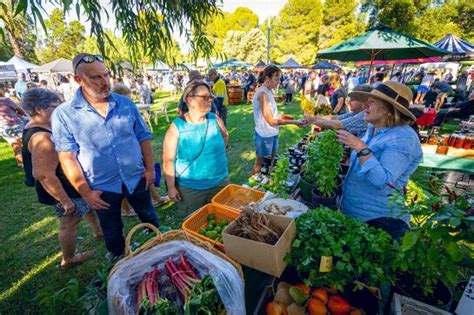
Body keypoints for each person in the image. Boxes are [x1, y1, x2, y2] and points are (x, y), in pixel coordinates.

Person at [51, 53, 160, 257]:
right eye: (96, 77)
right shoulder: (64, 114)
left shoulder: (125, 104)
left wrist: (149, 169)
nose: (104, 82)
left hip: (136, 177)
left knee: (149, 215)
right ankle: (118, 260)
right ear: (78, 80)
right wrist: (86, 193)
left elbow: (143, 137)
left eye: (106, 75)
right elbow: (67, 158)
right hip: (101, 187)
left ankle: (160, 245)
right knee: (112, 230)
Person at [20, 88, 103, 268]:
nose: (61, 109)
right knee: (69, 223)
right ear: (39, 110)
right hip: (62, 189)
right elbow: (43, 174)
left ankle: (99, 232)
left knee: (89, 208)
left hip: (72, 184)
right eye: (55, 106)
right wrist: (65, 201)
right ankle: (69, 258)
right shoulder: (43, 138)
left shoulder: (37, 126)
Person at [337, 81, 422, 241]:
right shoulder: (374, 128)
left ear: (390, 111)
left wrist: (359, 147)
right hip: (356, 215)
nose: (365, 106)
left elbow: (382, 180)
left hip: (379, 222)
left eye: (372, 103)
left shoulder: (403, 137)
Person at [163, 80, 229, 220]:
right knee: (195, 224)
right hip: (190, 189)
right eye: (204, 97)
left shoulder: (215, 119)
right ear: (189, 99)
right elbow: (168, 160)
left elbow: (225, 135)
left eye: (210, 97)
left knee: (222, 221)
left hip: (220, 183)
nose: (209, 100)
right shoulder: (177, 127)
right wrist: (171, 187)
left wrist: (216, 155)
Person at [252, 65, 306, 174]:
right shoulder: (263, 94)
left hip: (272, 133)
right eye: (276, 79)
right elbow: (271, 120)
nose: (278, 82)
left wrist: (290, 117)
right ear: (267, 79)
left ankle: (264, 184)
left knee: (270, 162)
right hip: (264, 136)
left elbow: (273, 114)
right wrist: (294, 122)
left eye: (279, 79)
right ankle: (251, 188)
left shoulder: (269, 91)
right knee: (260, 164)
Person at [305, 85, 373, 137]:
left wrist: (312, 120)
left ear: (364, 102)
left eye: (352, 100)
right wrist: (313, 117)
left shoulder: (364, 115)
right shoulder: (356, 112)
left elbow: (338, 124)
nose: (349, 102)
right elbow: (335, 118)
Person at [0, 83, 26, 167]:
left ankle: (21, 163)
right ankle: (30, 161)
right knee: (25, 143)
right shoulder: (5, 100)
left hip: (3, 126)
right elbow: (21, 111)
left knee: (14, 144)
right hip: (15, 123)